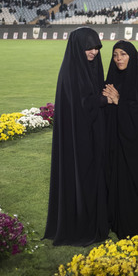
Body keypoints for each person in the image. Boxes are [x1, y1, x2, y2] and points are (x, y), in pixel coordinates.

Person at [44, 27, 109, 246]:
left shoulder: (89, 68)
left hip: (90, 136)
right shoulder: (71, 73)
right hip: (78, 140)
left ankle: (94, 220)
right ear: (78, 48)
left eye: (96, 48)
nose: (93, 53)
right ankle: (83, 224)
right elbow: (84, 106)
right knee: (82, 178)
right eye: (88, 48)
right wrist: (105, 100)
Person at [103, 41, 138, 239]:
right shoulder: (112, 78)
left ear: (131, 56)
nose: (118, 59)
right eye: (115, 55)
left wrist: (119, 102)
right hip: (117, 145)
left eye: (123, 54)